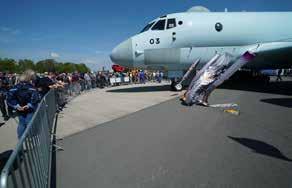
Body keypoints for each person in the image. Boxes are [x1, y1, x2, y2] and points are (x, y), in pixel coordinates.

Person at [7, 70, 40, 139]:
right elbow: (35, 98)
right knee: (29, 123)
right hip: (28, 108)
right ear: (30, 78)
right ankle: (30, 137)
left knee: (21, 123)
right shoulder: (31, 87)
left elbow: (10, 97)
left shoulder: (16, 87)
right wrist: (28, 105)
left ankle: (21, 139)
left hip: (20, 108)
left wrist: (16, 106)